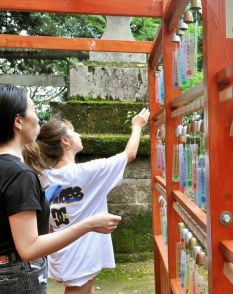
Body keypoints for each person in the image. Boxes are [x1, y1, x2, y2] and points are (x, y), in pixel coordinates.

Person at [0, 83, 122, 294]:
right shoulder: (20, 175)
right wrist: (89, 224)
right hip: (17, 276)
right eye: (34, 110)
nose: (38, 118)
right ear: (18, 121)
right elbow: (29, 249)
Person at [23, 105, 150, 293]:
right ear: (65, 141)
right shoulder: (86, 172)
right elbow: (129, 155)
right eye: (74, 132)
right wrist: (137, 126)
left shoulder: (44, 176)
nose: (79, 135)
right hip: (80, 254)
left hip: (64, 250)